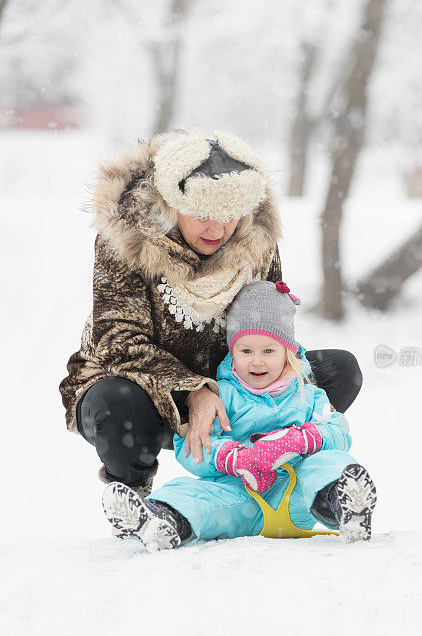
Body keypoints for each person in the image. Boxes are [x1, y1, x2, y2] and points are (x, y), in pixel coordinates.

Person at [59, 128, 363, 507]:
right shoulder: (128, 241)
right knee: (117, 405)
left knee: (339, 370)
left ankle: (272, 466)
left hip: (236, 391)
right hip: (144, 388)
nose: (218, 230)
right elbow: (117, 338)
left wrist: (271, 379)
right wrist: (193, 389)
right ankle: (132, 496)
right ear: (172, 203)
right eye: (204, 215)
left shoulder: (254, 240)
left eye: (231, 215)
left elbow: (269, 325)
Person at [102, 280, 377, 551]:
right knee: (193, 493)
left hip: (295, 494)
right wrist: (233, 458)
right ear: (232, 352)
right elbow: (191, 448)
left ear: (287, 352)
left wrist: (301, 440)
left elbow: (338, 432)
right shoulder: (220, 396)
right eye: (246, 351)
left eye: (269, 351)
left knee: (328, 462)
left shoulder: (308, 394)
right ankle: (161, 520)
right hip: (236, 496)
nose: (257, 361)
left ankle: (343, 506)